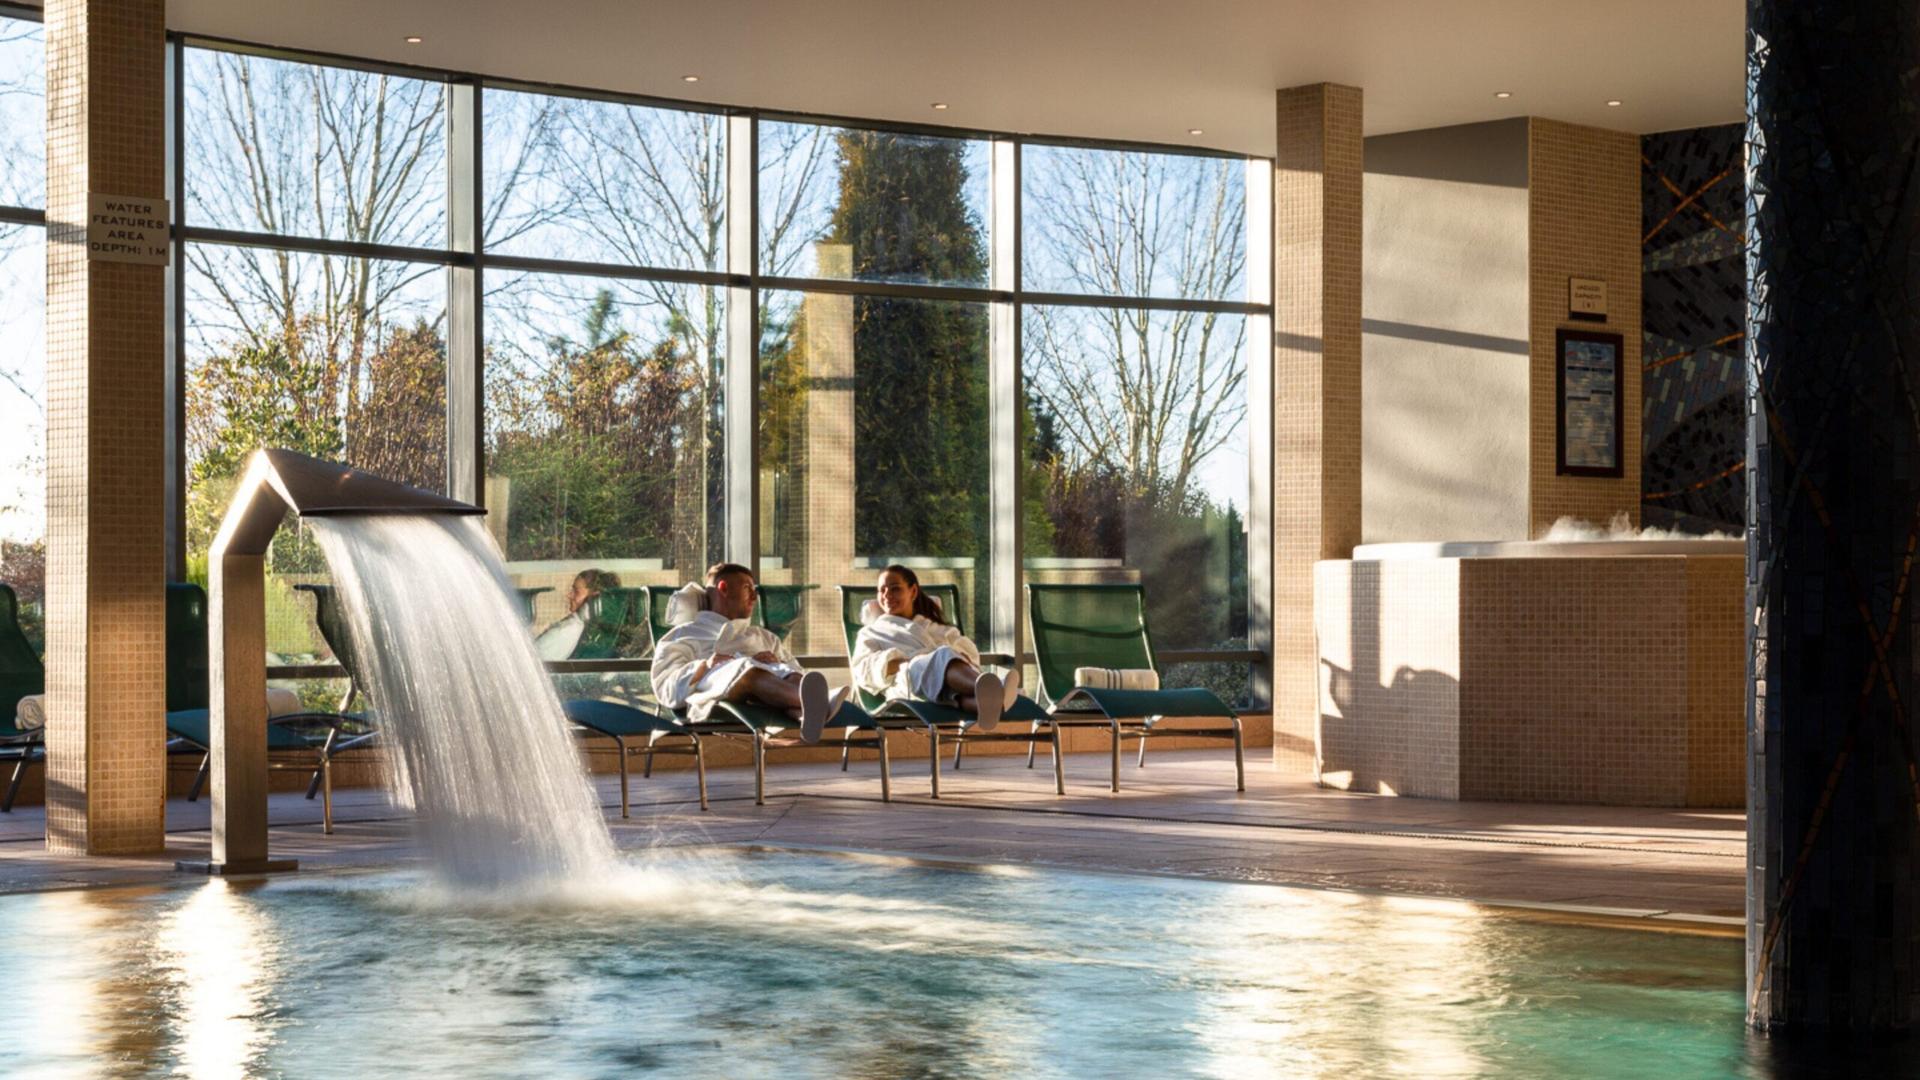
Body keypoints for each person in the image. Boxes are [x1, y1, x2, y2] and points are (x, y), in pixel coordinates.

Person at [652, 562, 847, 742]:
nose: (755, 597)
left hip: (767, 699)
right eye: (748, 588)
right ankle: (823, 703)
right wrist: (704, 665)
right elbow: (664, 685)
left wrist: (775, 663)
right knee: (747, 670)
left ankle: (806, 714)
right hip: (713, 696)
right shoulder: (683, 635)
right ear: (724, 588)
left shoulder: (764, 637)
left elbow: (801, 675)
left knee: (788, 672)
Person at [850, 565, 1018, 731]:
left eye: (895, 589)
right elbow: (863, 669)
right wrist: (904, 662)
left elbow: (968, 652)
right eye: (882, 590)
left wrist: (958, 657)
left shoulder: (934, 626)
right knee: (944, 655)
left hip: (949, 685)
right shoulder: (871, 632)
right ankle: (996, 690)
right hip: (907, 680)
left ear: (913, 591)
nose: (887, 595)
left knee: (954, 692)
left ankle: (994, 702)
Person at [534, 568, 620, 661]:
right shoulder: (608, 632)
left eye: (576, 591)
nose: (569, 595)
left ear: (595, 599)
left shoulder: (567, 629)